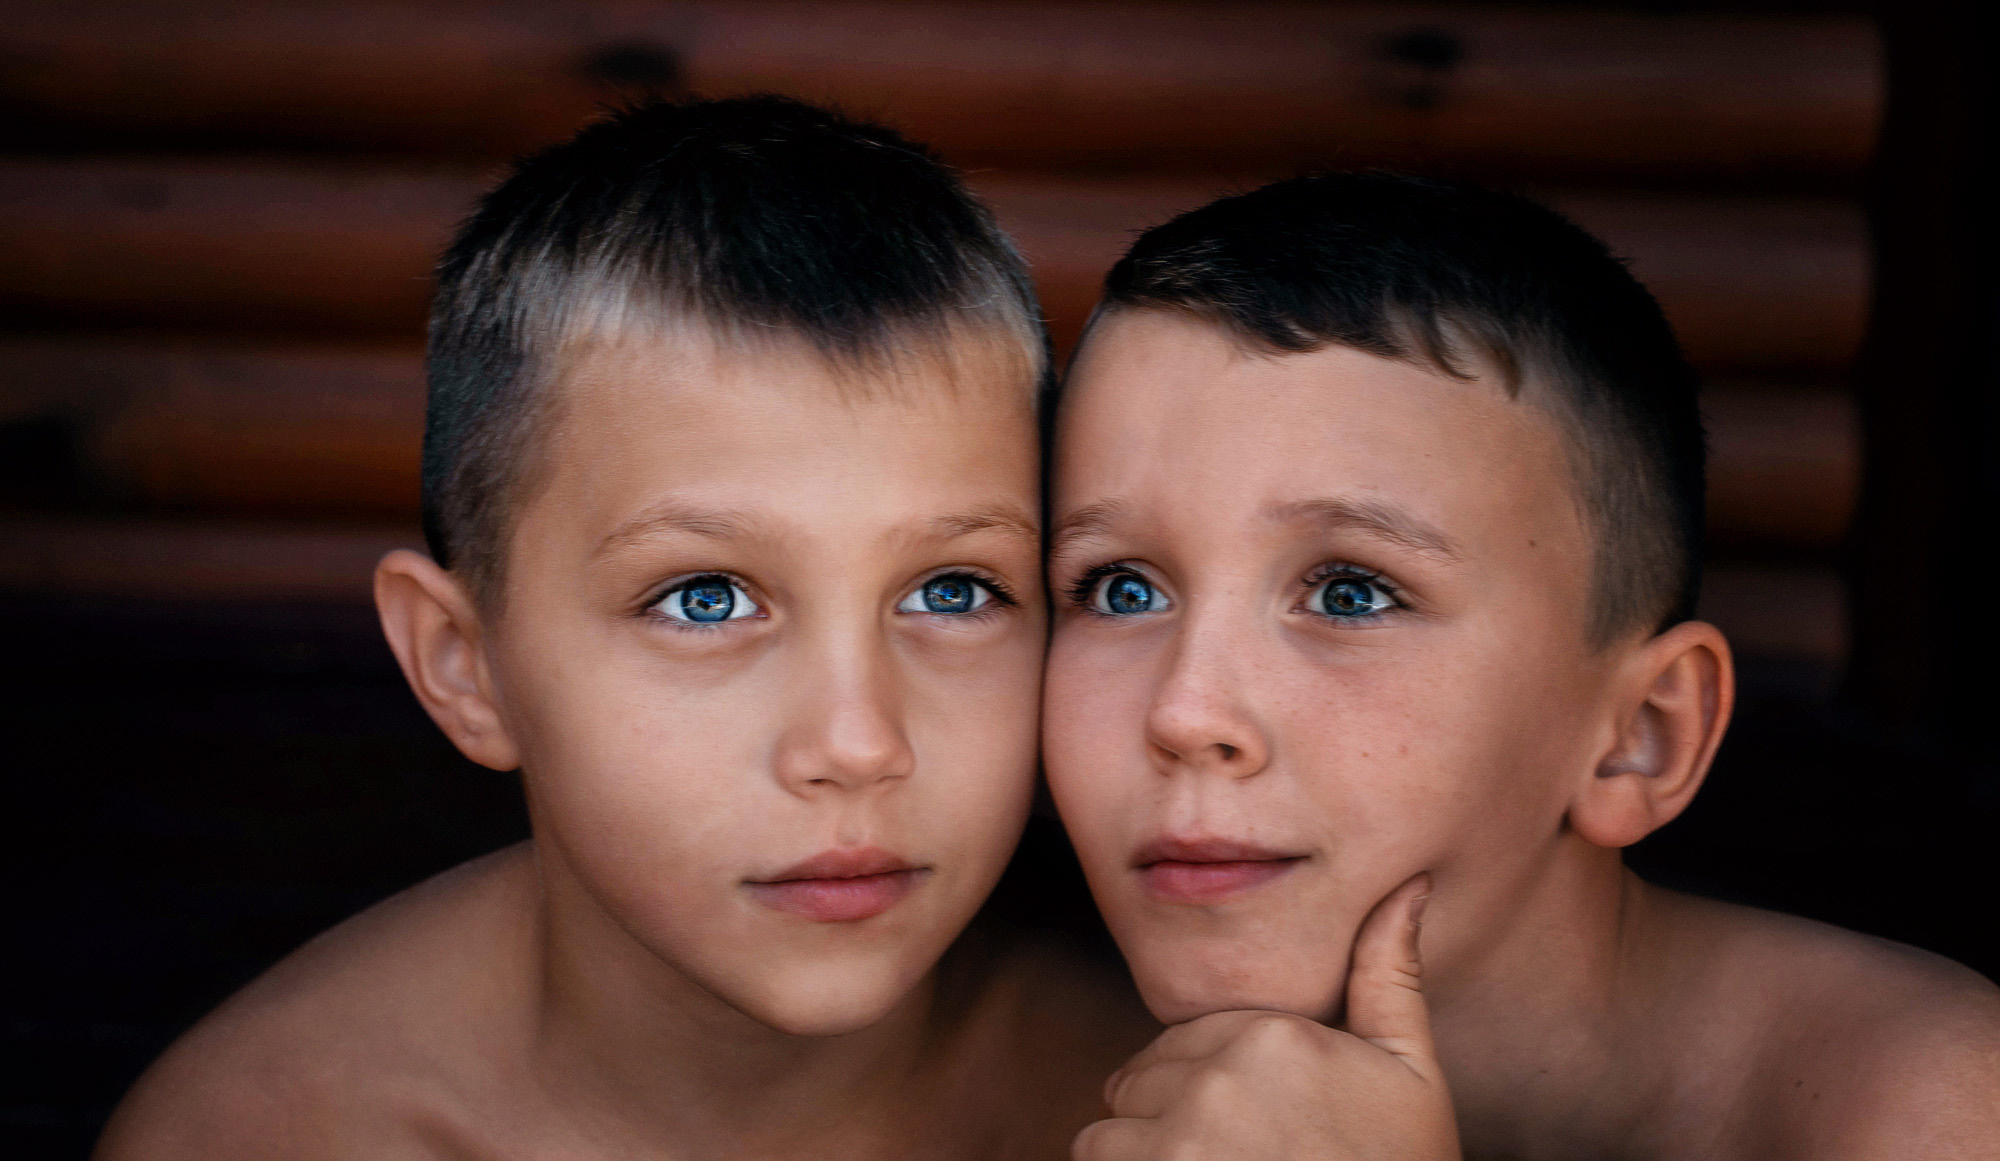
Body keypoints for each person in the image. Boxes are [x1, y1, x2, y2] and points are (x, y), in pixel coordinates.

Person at [94, 96, 1153, 1160]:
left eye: (952, 592)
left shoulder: (1170, 1089)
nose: (856, 743)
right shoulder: (261, 1137)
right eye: (706, 599)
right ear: (463, 667)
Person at [1041, 173, 2000, 1160]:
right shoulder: (1007, 1060)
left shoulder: (1921, 1108)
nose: (1186, 710)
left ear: (1639, 736)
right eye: (1119, 589)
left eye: (1351, 594)